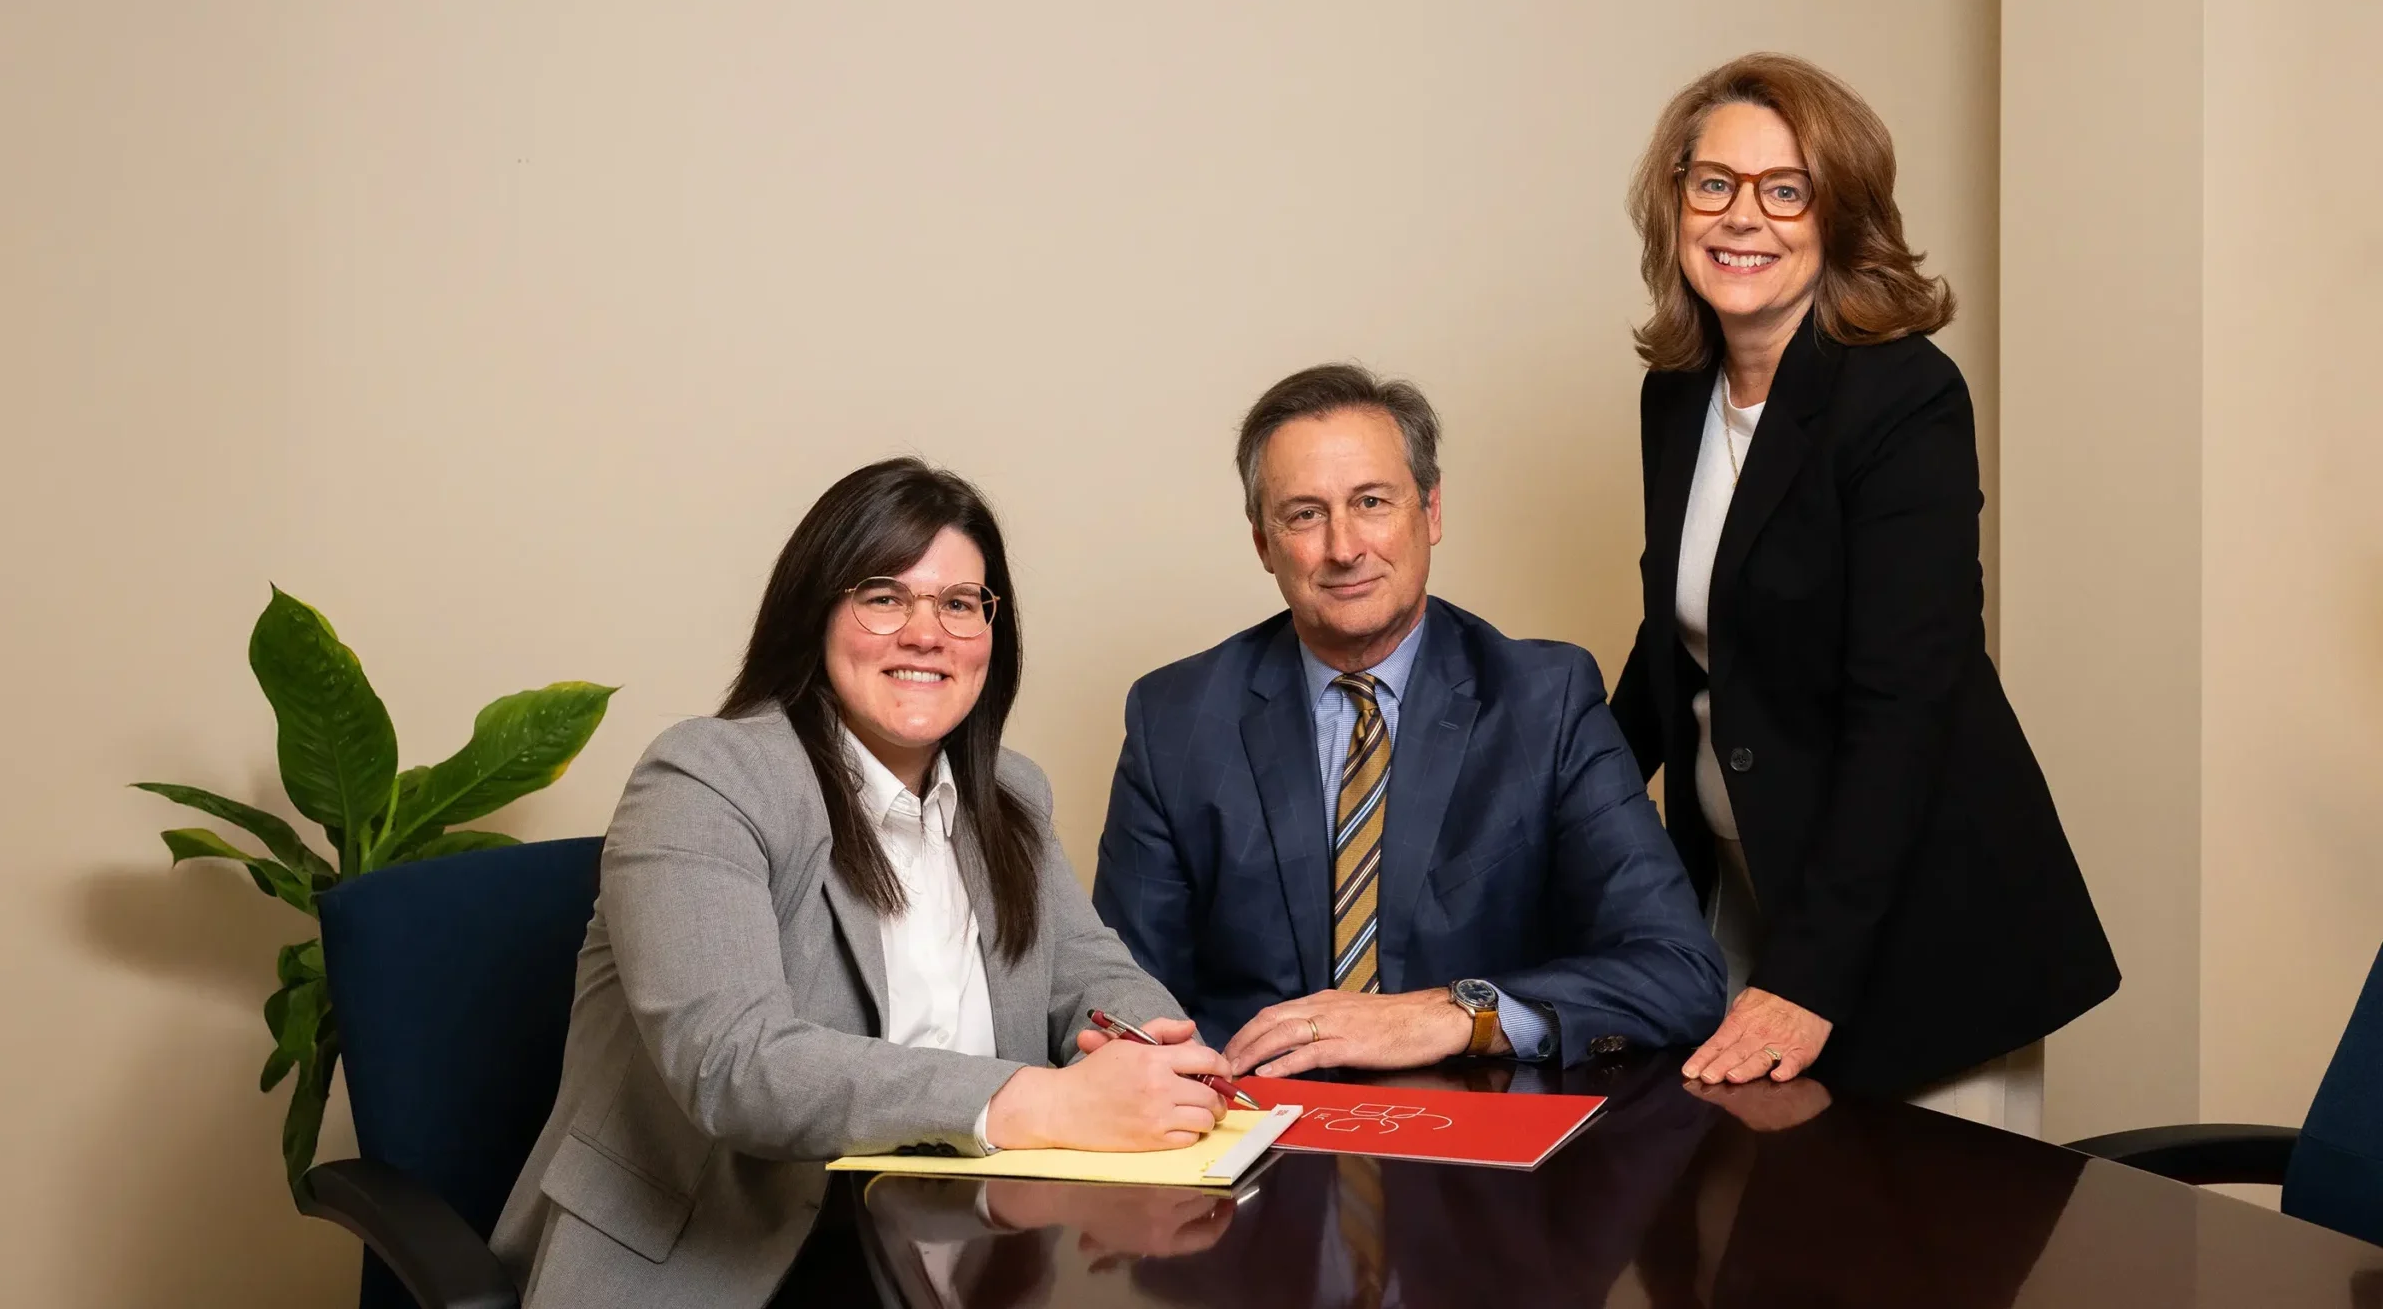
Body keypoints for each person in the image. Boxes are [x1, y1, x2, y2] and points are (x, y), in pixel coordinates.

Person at [492, 459, 1232, 1309]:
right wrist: (1037, 1101)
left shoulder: (1009, 795)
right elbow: (733, 1062)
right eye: (884, 596)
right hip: (726, 1267)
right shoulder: (705, 779)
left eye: (959, 603)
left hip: (971, 1245)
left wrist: (1149, 1051)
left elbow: (1086, 972)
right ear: (816, 612)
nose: (927, 632)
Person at [1608, 52, 2117, 1125]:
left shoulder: (1904, 399)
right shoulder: (1676, 395)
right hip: (1745, 889)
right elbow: (1676, 648)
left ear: (1838, 216)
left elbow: (1905, 706)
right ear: (1673, 200)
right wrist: (1551, 816)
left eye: (1784, 190)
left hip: (1917, 917)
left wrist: (1806, 981)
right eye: (1713, 183)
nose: (1743, 217)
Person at [1093, 364, 1726, 1081]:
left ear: (1430, 512)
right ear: (1263, 542)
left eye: (1371, 501)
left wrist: (1454, 1012)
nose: (1343, 546)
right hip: (1253, 1138)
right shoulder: (1175, 719)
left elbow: (1677, 970)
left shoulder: (1543, 702)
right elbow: (1124, 1002)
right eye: (1304, 513)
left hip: (1478, 1156)